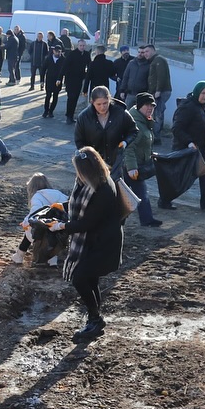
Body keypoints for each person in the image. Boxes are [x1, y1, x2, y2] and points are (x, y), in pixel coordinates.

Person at [48, 147, 127, 343]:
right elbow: (79, 203)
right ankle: (94, 317)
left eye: (79, 170)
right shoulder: (87, 181)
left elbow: (88, 222)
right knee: (90, 279)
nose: (77, 174)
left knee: (80, 278)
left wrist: (62, 226)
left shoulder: (104, 189)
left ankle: (96, 320)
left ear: (88, 170)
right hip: (91, 241)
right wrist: (63, 206)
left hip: (103, 243)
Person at [165, 82, 205, 210]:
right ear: (197, 93)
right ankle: (164, 200)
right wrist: (189, 142)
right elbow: (176, 128)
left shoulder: (203, 107)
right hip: (184, 148)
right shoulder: (188, 107)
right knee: (179, 178)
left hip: (199, 149)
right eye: (203, 93)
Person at [122, 93, 165, 228]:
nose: (150, 108)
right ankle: (145, 219)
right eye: (147, 105)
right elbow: (129, 148)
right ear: (140, 106)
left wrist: (150, 154)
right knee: (127, 195)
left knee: (135, 194)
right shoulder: (136, 123)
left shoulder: (144, 121)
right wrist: (131, 168)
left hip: (137, 165)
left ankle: (146, 219)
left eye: (152, 106)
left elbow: (145, 142)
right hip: (130, 166)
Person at [18, 172, 70, 267]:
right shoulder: (58, 193)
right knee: (51, 233)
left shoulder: (37, 196)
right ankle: (53, 259)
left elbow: (35, 214)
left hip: (48, 229)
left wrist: (25, 222)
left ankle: (19, 255)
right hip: (63, 229)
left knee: (30, 230)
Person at [144, 44, 173, 134]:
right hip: (158, 91)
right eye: (144, 52)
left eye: (147, 51)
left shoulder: (158, 60)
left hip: (161, 92)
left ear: (154, 51)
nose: (145, 54)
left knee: (157, 113)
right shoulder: (154, 61)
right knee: (157, 112)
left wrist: (158, 90)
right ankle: (156, 133)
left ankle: (156, 135)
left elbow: (161, 76)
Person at [62, 39, 89, 124]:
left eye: (83, 46)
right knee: (71, 98)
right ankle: (68, 116)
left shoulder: (86, 54)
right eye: (80, 45)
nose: (82, 47)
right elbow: (65, 66)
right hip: (70, 79)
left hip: (79, 79)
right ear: (78, 46)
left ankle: (71, 115)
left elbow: (89, 66)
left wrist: (87, 75)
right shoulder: (72, 54)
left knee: (76, 98)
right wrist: (60, 77)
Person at [42, 44, 66, 119]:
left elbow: (65, 71)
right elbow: (43, 69)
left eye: (59, 52)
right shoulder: (48, 58)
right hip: (49, 80)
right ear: (53, 51)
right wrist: (42, 80)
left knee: (55, 96)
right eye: (56, 52)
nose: (58, 53)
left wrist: (63, 81)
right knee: (48, 96)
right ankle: (46, 111)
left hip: (58, 81)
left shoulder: (63, 59)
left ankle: (51, 111)